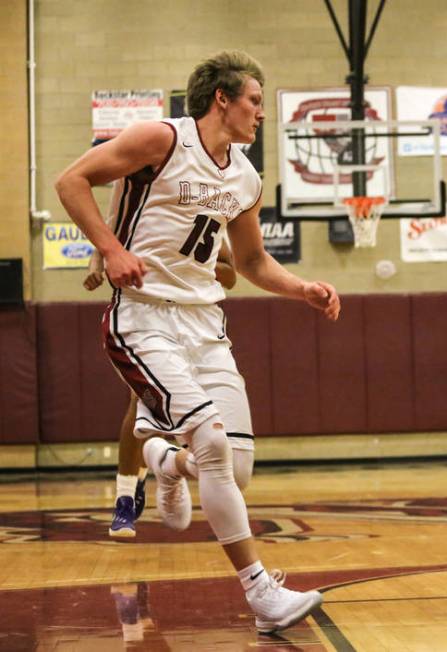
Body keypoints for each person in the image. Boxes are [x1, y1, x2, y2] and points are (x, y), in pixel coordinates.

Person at [56, 50, 335, 633]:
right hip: (143, 319)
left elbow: (254, 261)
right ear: (222, 100)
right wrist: (110, 249)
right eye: (255, 101)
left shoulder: (246, 176)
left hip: (206, 327)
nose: (262, 113)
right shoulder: (160, 140)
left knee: (235, 469)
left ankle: (164, 460)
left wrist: (301, 287)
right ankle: (262, 595)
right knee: (210, 439)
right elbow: (70, 180)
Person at [86, 240, 237, 538]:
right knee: (142, 401)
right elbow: (107, 237)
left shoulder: (210, 214)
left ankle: (168, 465)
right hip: (144, 317)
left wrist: (192, 268)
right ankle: (125, 498)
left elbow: (231, 275)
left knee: (180, 415)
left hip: (197, 323)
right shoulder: (144, 205)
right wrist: (96, 264)